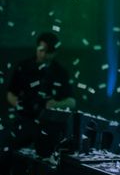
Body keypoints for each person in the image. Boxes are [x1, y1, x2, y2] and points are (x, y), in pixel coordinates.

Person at [1, 32, 75, 165]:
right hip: (23, 122)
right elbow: (10, 93)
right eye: (41, 50)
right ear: (37, 48)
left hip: (49, 127)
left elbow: (72, 101)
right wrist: (18, 104)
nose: (43, 55)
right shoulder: (23, 66)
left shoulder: (60, 72)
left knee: (44, 163)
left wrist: (56, 104)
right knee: (12, 157)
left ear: (55, 52)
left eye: (48, 52)